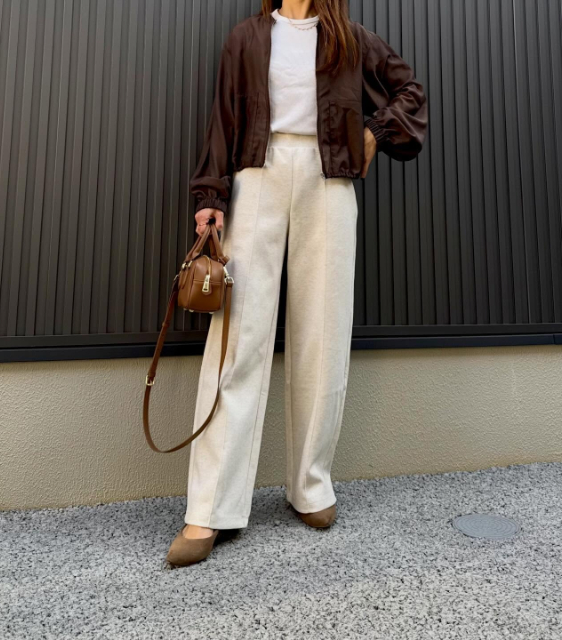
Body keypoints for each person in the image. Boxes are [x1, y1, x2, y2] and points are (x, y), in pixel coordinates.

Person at [166, 0, 428, 567]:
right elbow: (223, 119)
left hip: (328, 180)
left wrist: (374, 132)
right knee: (236, 339)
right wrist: (210, 195)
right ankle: (209, 506)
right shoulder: (246, 37)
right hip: (256, 176)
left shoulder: (351, 39)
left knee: (324, 334)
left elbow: (411, 92)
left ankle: (311, 485)